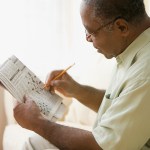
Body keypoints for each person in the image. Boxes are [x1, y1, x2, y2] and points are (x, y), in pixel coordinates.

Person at [13, 0, 150, 149]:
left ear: (121, 27)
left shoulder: (144, 72)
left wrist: (37, 123)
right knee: (36, 143)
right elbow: (121, 107)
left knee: (35, 144)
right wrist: (76, 90)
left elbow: (101, 147)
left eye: (91, 31)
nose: (88, 39)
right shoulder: (133, 49)